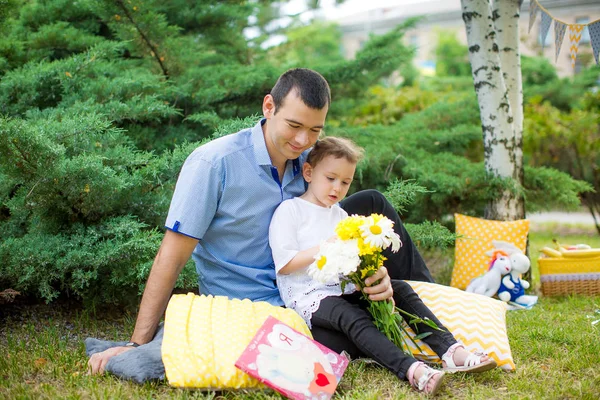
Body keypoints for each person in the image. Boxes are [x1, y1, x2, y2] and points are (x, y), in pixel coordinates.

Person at [87, 68, 432, 374]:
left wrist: (372, 272)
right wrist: (136, 342)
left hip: (307, 282)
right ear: (269, 107)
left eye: (314, 130)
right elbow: (171, 257)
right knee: (337, 343)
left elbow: (331, 223)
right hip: (258, 301)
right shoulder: (213, 164)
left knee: (372, 202)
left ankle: (433, 309)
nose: (302, 141)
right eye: (294, 126)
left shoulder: (309, 164)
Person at [268, 137, 497, 396]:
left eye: (345, 182)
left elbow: (352, 259)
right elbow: (285, 264)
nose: (337, 188)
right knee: (351, 317)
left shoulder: (341, 216)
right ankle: (413, 370)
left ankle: (451, 351)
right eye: (330, 178)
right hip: (310, 295)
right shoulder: (291, 211)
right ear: (309, 172)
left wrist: (370, 272)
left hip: (343, 287)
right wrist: (327, 245)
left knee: (400, 290)